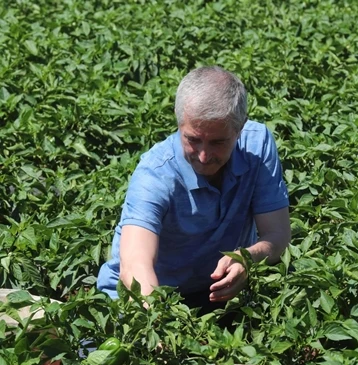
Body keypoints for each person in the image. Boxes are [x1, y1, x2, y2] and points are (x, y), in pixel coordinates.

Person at [97, 66, 292, 327]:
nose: (203, 155)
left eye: (218, 142)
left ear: (240, 127)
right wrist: (157, 322)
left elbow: (278, 235)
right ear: (179, 124)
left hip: (214, 293)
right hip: (146, 299)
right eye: (193, 139)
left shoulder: (257, 146)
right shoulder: (155, 173)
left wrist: (248, 258)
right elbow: (135, 266)